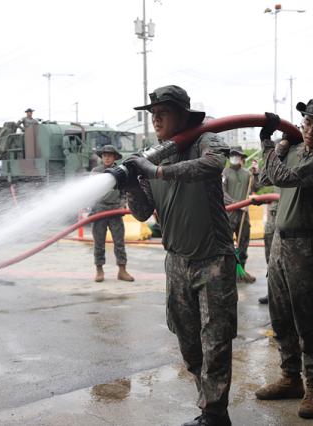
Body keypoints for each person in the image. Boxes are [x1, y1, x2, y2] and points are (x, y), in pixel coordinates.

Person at [124, 85, 236, 426]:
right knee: (188, 339)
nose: (156, 118)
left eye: (164, 112)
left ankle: (214, 414)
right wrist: (129, 183)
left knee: (215, 339)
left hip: (212, 258)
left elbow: (212, 166)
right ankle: (210, 405)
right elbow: (143, 213)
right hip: (177, 262)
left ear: (183, 115)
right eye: (152, 113)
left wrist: (155, 171)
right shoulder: (151, 155)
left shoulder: (205, 140)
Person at [254, 98, 313, 419]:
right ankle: (291, 378)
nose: (310, 131)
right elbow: (264, 178)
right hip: (280, 243)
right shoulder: (294, 150)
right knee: (280, 316)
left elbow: (283, 178)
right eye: (306, 123)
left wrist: (267, 143)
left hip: (306, 246)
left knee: (309, 319)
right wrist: (278, 148)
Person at [91, 144, 134, 283]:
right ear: (101, 157)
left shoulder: (120, 172)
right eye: (104, 155)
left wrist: (123, 204)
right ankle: (99, 270)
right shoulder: (96, 172)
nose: (107, 157)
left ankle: (122, 270)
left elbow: (125, 192)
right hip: (99, 210)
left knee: (119, 242)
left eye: (110, 155)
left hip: (115, 210)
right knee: (99, 242)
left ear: (115, 157)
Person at [222, 146, 259, 283]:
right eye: (233, 155)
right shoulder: (224, 173)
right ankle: (228, 272)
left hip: (244, 216)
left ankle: (241, 271)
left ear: (241, 157)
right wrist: (238, 204)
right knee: (227, 246)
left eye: (238, 155)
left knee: (243, 245)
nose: (235, 157)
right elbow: (222, 193)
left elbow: (256, 188)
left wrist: (256, 173)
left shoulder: (247, 174)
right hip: (229, 214)